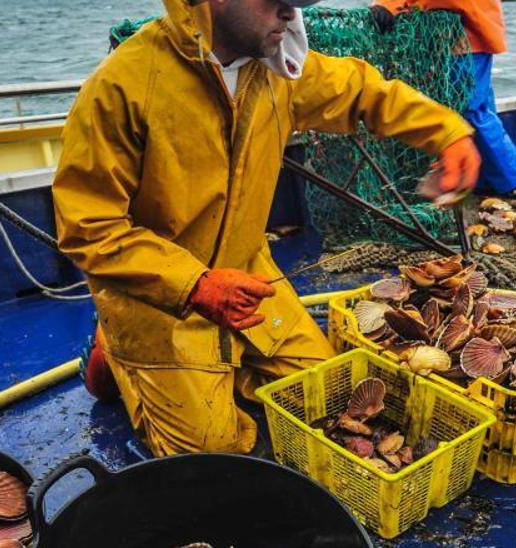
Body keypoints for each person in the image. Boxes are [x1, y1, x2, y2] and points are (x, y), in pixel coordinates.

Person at [53, 0, 480, 457]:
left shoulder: (277, 68)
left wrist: (447, 133)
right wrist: (194, 285)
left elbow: (362, 91)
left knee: (330, 393)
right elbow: (89, 227)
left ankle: (221, 368)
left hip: (248, 275)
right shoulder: (122, 86)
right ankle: (116, 353)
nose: (289, 13)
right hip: (159, 303)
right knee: (214, 451)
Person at [370, 0, 516, 194]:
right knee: (481, 105)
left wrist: (387, 6)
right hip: (474, 33)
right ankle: (483, 178)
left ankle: (515, 178)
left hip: (462, 39)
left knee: (469, 108)